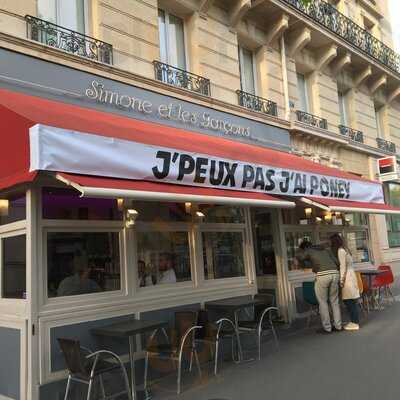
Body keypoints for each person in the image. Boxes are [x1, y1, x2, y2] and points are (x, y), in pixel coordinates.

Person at [297, 240, 342, 334]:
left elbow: (301, 257)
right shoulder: (326, 249)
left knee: (323, 302)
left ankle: (327, 328)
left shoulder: (308, 250)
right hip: (335, 273)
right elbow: (337, 262)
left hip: (323, 275)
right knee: (334, 301)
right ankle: (338, 326)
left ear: (305, 248)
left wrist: (299, 251)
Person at [330, 234, 360, 331]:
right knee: (351, 300)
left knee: (349, 301)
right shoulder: (345, 249)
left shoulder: (340, 251)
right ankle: (354, 321)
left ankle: (355, 322)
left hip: (347, 277)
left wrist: (341, 280)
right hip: (351, 275)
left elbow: (343, 266)